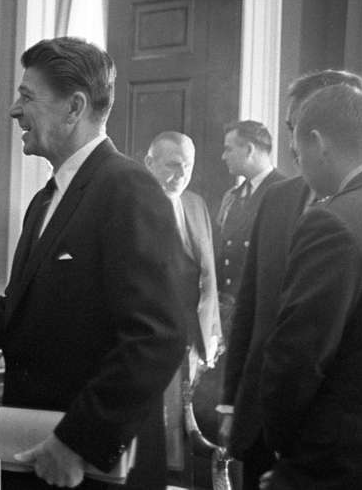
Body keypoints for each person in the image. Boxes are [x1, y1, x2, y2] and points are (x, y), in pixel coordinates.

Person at [0, 37, 187, 489]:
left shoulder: (128, 188)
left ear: (74, 107)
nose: (14, 112)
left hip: (89, 469)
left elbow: (157, 337)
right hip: (37, 459)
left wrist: (77, 442)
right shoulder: (45, 201)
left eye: (27, 97)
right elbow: (19, 311)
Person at [219, 70, 362, 489]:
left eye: (307, 129)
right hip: (260, 426)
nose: (295, 142)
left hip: (339, 443)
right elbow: (250, 305)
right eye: (291, 128)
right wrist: (231, 404)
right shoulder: (279, 198)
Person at [259, 83, 362, 488]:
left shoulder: (332, 221)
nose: (299, 168)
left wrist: (281, 445)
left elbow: (298, 355)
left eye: (298, 155)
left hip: (338, 461)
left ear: (318, 142)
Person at [144, 131, 221, 480]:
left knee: (187, 431)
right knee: (158, 436)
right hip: (152, 336)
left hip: (195, 339)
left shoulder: (196, 203)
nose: (181, 174)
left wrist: (212, 332)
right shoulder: (134, 205)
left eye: (187, 166)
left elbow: (209, 275)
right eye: (172, 165)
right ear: (150, 163)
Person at [215, 120, 284, 332]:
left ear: (250, 149)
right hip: (227, 308)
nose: (223, 156)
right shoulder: (232, 196)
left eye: (229, 149)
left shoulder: (285, 193)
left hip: (261, 310)